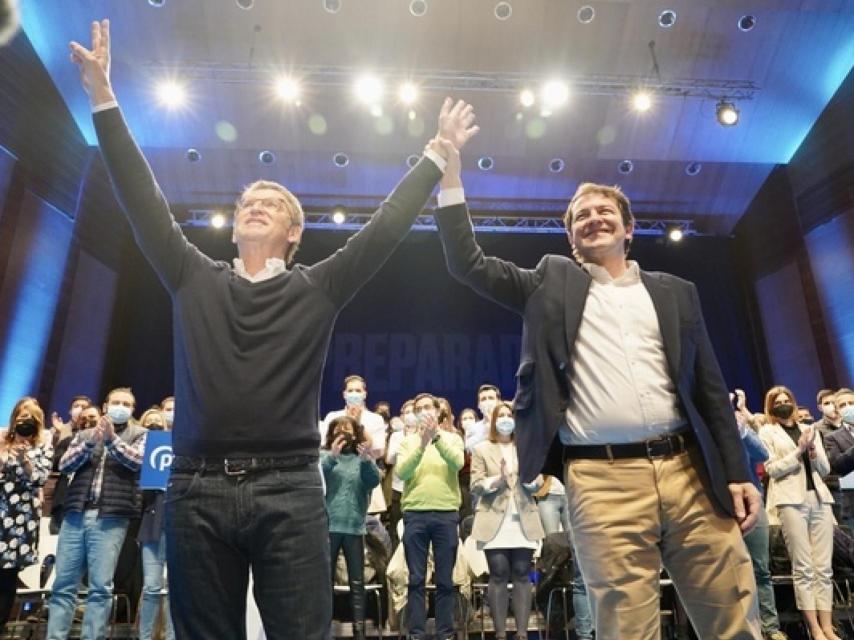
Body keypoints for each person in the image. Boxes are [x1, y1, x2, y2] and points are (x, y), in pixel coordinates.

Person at [69, 18, 478, 639]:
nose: (253, 205)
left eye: (272, 204)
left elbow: (384, 231)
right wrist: (104, 95)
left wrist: (434, 154)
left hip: (288, 487)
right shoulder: (192, 275)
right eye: (244, 205)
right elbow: (139, 193)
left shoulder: (318, 287)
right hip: (196, 485)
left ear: (294, 232)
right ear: (233, 229)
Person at [433, 141, 761, 639]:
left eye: (605, 210)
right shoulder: (548, 284)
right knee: (626, 628)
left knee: (732, 616)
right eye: (580, 215)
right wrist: (451, 176)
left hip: (690, 471)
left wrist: (736, 471)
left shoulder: (676, 292)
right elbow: (466, 264)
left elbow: (710, 390)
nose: (593, 218)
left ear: (628, 228)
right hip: (601, 479)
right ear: (570, 237)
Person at [46, 387, 147, 640]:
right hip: (76, 514)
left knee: (100, 588)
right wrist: (91, 441)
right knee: (63, 585)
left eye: (126, 404)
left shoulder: (141, 434)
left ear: (133, 410)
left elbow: (138, 462)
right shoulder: (86, 434)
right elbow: (65, 464)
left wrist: (112, 440)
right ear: (105, 406)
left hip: (111, 518)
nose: (120, 406)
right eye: (116, 402)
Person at [759, 386, 838, 640]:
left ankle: (827, 626)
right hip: (789, 501)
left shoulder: (808, 429)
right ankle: (814, 628)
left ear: (793, 403)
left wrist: (813, 452)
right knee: (803, 567)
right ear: (771, 407)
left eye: (786, 400)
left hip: (819, 498)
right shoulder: (767, 431)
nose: (783, 404)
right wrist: (798, 451)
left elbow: (825, 469)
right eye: (777, 401)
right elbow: (771, 469)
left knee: (823, 567)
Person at [470, 402, 544, 640]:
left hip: (522, 516)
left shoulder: (526, 446)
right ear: (493, 421)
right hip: (494, 518)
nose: (505, 418)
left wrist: (528, 480)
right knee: (499, 572)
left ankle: (522, 633)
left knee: (522, 571)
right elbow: (476, 485)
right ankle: (500, 633)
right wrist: (498, 480)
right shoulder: (481, 449)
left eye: (508, 414)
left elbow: (539, 482)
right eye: (500, 415)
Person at [396, 393, 465, 640]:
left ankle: (445, 633)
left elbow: (457, 463)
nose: (424, 411)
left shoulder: (452, 438)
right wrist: (422, 444)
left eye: (428, 407)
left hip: (446, 514)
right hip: (415, 514)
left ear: (437, 412)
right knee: (415, 580)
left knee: (445, 580)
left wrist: (435, 438)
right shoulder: (407, 441)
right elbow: (402, 472)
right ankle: (416, 634)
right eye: (419, 408)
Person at [733, 390, 789, 640]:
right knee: (727, 573)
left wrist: (741, 430)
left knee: (760, 569)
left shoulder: (741, 428)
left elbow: (762, 454)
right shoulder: (704, 432)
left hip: (752, 503)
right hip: (720, 508)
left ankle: (770, 628)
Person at [321, 416, 381, 640]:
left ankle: (359, 632)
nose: (343, 434)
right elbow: (319, 480)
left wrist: (367, 460)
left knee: (358, 583)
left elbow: (374, 481)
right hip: (329, 526)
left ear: (355, 434)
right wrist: (332, 457)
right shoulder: (325, 457)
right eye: (338, 430)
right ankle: (324, 629)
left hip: (355, 526)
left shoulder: (361, 459)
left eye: (347, 430)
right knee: (324, 581)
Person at [0, 397, 53, 630]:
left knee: (7, 576)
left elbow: (39, 479)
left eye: (31, 418)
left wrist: (25, 460)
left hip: (19, 517)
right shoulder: (1, 439)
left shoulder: (43, 444)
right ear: (13, 419)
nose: (26, 422)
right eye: (22, 416)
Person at [138, 404, 175, 640]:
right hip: (152, 524)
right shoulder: (146, 450)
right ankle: (144, 636)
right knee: (151, 588)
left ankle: (172, 636)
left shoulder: (183, 446)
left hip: (178, 526)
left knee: (176, 591)